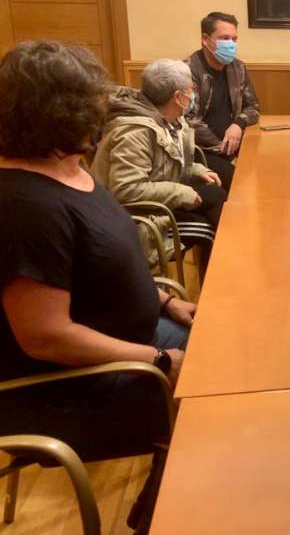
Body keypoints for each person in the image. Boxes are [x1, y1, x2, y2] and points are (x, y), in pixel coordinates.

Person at [0, 41, 194, 533]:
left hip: (135, 341)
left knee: (236, 353)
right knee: (216, 404)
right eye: (93, 100)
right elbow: (45, 336)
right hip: (67, 390)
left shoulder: (68, 169)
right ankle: (161, 517)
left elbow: (109, 261)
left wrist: (166, 301)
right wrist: (157, 361)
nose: (103, 108)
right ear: (61, 111)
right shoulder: (23, 206)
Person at [92, 59, 227, 273]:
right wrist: (183, 192)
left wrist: (198, 171)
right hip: (139, 219)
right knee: (211, 227)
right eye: (191, 89)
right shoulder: (134, 132)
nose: (193, 96)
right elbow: (126, 190)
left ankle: (225, 268)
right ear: (177, 97)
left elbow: (168, 164)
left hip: (157, 202)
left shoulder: (168, 119)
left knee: (215, 194)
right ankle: (223, 274)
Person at [186, 11, 260, 190]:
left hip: (237, 144)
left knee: (267, 169)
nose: (231, 44)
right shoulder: (188, 70)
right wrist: (223, 149)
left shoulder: (238, 68)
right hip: (203, 151)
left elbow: (254, 107)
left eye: (234, 39)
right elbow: (189, 120)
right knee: (240, 182)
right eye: (224, 38)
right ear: (205, 39)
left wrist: (238, 124)